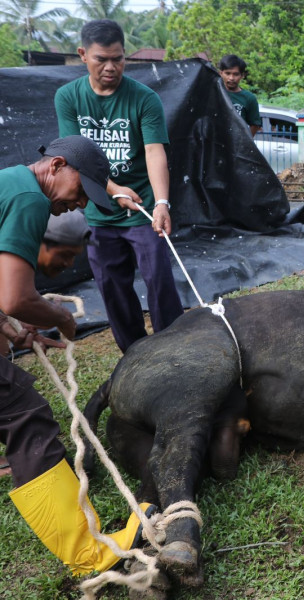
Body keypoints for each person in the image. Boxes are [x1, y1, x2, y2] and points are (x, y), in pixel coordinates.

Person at [0, 135, 154, 576]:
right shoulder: (30, 198)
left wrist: (13, 327)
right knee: (25, 419)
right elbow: (14, 295)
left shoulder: (10, 184)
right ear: (56, 166)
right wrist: (59, 320)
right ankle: (91, 555)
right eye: (80, 189)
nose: (80, 202)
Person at [55, 19, 183, 353]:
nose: (111, 67)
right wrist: (113, 190)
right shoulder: (68, 97)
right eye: (101, 59)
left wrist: (162, 204)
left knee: (159, 282)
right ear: (83, 55)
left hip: (143, 211)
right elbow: (74, 153)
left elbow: (155, 152)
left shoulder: (144, 99)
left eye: (118, 58)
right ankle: (135, 355)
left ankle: (173, 351)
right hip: (99, 211)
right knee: (112, 288)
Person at [218, 54, 262, 137]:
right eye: (227, 73)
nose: (231, 78)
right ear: (221, 73)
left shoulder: (249, 98)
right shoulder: (213, 93)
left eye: (236, 74)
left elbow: (255, 125)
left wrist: (244, 142)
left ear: (242, 75)